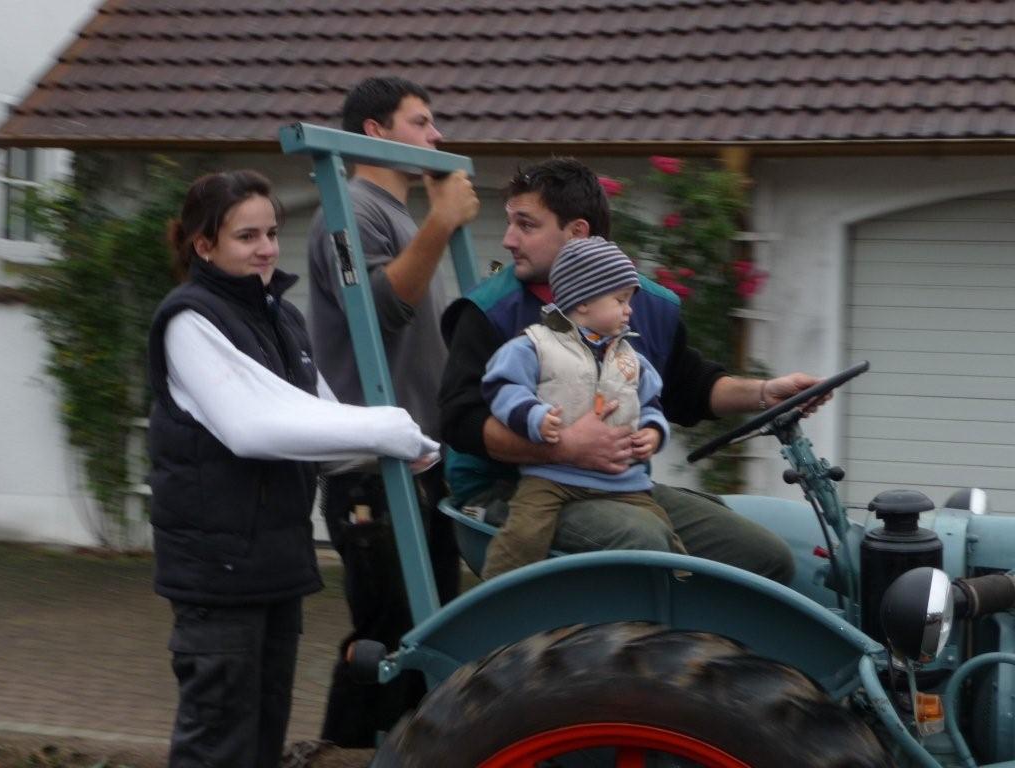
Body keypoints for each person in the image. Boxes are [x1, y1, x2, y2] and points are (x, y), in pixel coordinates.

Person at [147, 169, 438, 768]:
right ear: (204, 246)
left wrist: (406, 446)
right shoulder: (189, 322)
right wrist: (384, 429)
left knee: (261, 743)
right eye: (246, 236)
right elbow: (250, 427)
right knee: (218, 748)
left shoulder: (283, 319)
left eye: (272, 233)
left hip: (277, 568)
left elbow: (320, 422)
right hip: (218, 577)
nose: (266, 249)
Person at [440, 157, 813, 585]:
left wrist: (766, 393)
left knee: (765, 557)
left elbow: (690, 387)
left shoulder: (642, 305)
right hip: (512, 490)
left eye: (526, 225)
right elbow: (460, 420)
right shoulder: (489, 311)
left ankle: (695, 628)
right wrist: (564, 447)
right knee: (645, 542)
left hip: (618, 487)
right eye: (511, 223)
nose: (508, 239)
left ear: (577, 232)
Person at [306, 76, 479, 747]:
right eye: (421, 122)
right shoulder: (344, 210)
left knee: (426, 634)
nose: (436, 136)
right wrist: (442, 220)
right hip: (370, 472)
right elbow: (379, 309)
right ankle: (346, 755)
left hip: (420, 460)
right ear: (374, 132)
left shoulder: (399, 217)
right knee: (388, 639)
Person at [480, 236, 672, 578]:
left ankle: (676, 595)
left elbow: (650, 403)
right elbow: (502, 386)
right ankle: (495, 597)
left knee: (665, 537)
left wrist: (653, 432)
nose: (629, 310)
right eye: (620, 300)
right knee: (525, 533)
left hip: (622, 482)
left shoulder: (630, 358)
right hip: (551, 476)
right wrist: (534, 417)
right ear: (582, 302)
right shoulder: (536, 345)